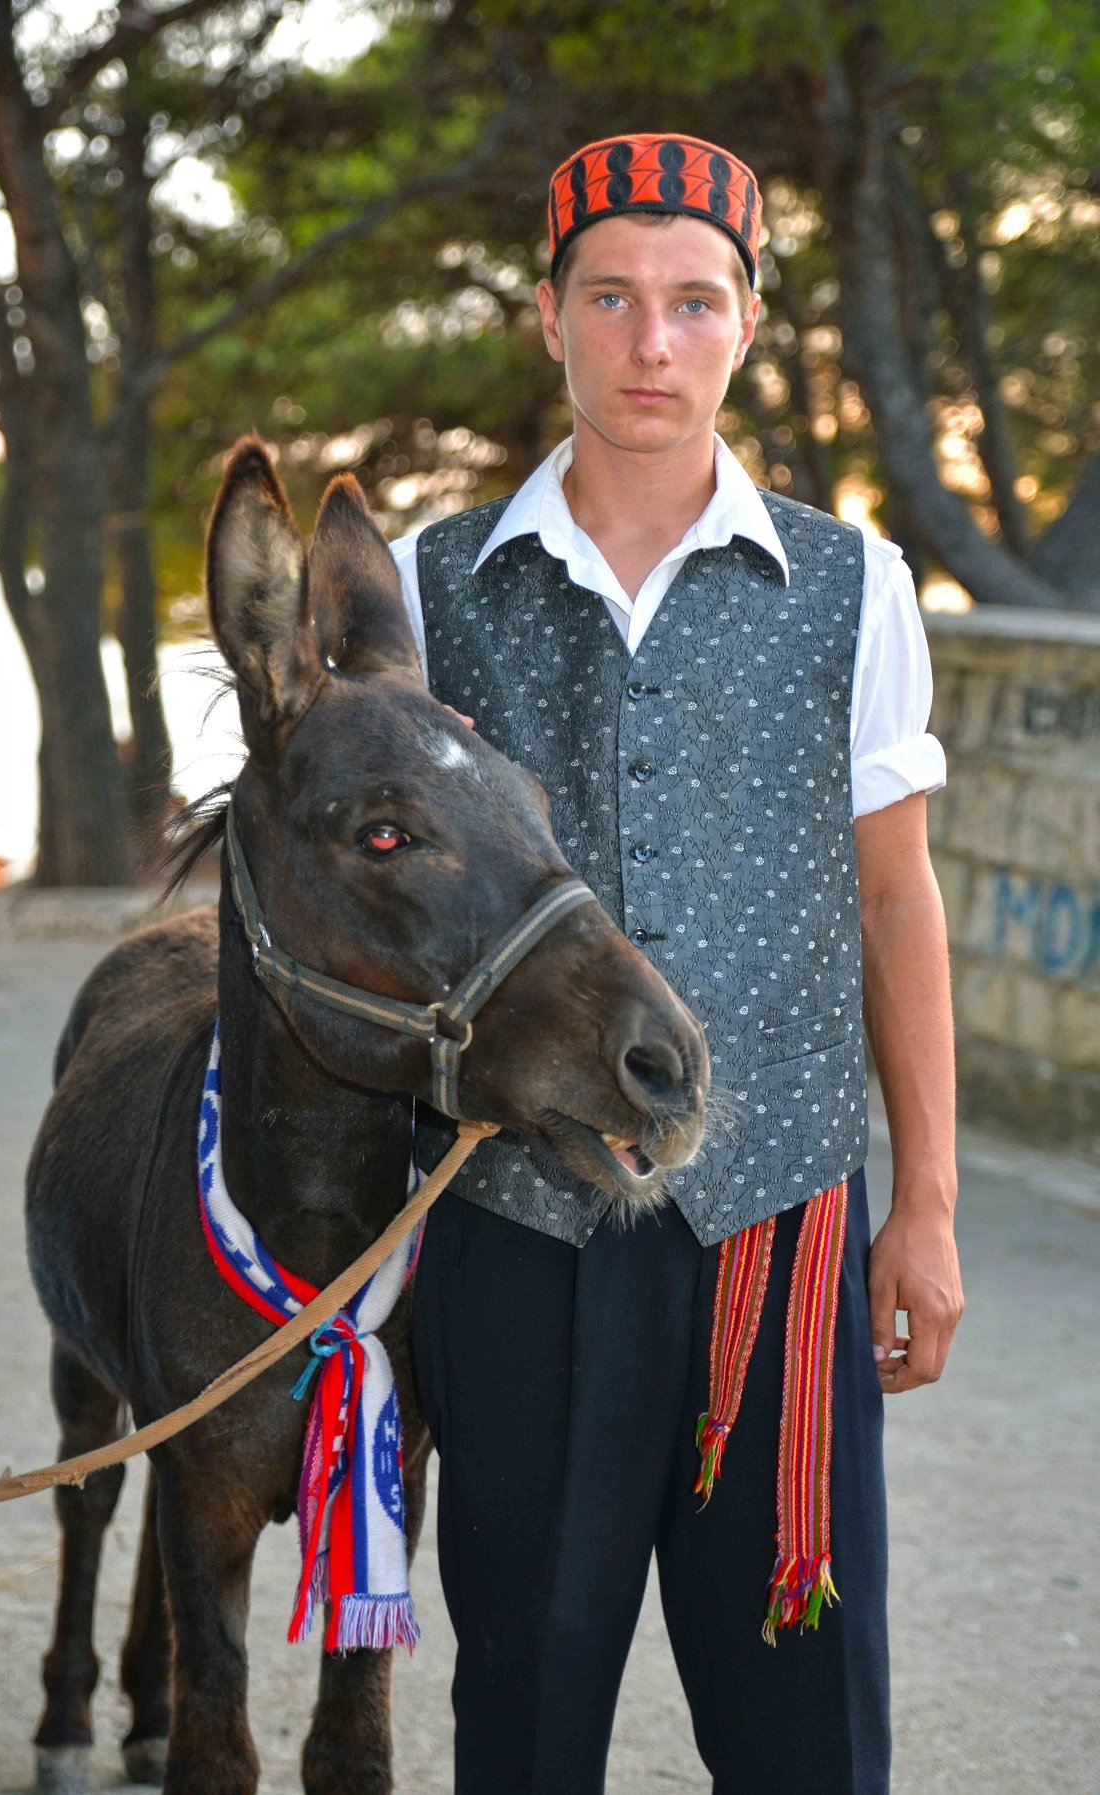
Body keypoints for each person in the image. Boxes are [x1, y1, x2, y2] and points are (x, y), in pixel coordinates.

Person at [391, 133, 963, 1795]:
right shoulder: (435, 590)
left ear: (749, 322)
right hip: (514, 1228)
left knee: (805, 1737)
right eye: (614, 299)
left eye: (695, 302)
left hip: (775, 1236)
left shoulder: (856, 586)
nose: (655, 345)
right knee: (523, 1716)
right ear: (548, 320)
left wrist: (919, 1206)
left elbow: (894, 901)